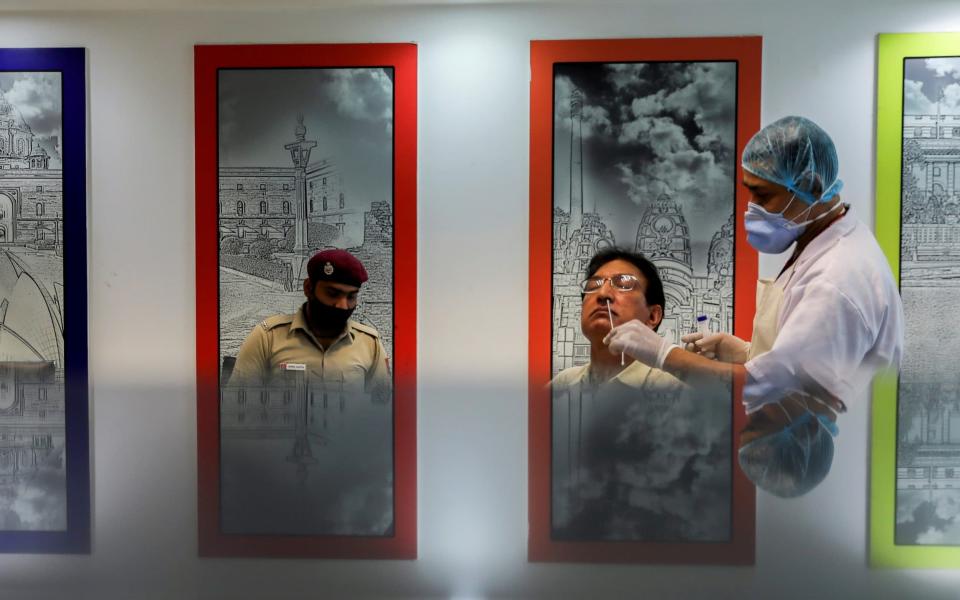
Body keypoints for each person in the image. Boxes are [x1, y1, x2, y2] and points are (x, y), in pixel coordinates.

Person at [604, 116, 904, 497]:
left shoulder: (834, 279)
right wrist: (746, 351)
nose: (750, 209)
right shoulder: (823, 238)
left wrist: (664, 354)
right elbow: (810, 364)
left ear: (810, 186)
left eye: (762, 196)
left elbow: (773, 387)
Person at [229, 248, 390, 394]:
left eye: (351, 296)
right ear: (308, 288)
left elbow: (383, 408)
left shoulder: (370, 343)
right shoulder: (267, 338)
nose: (342, 305)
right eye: (332, 293)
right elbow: (237, 405)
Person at [552, 248, 684, 394]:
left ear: (653, 316)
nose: (602, 294)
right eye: (593, 286)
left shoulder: (675, 391)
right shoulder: (561, 386)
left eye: (623, 285)